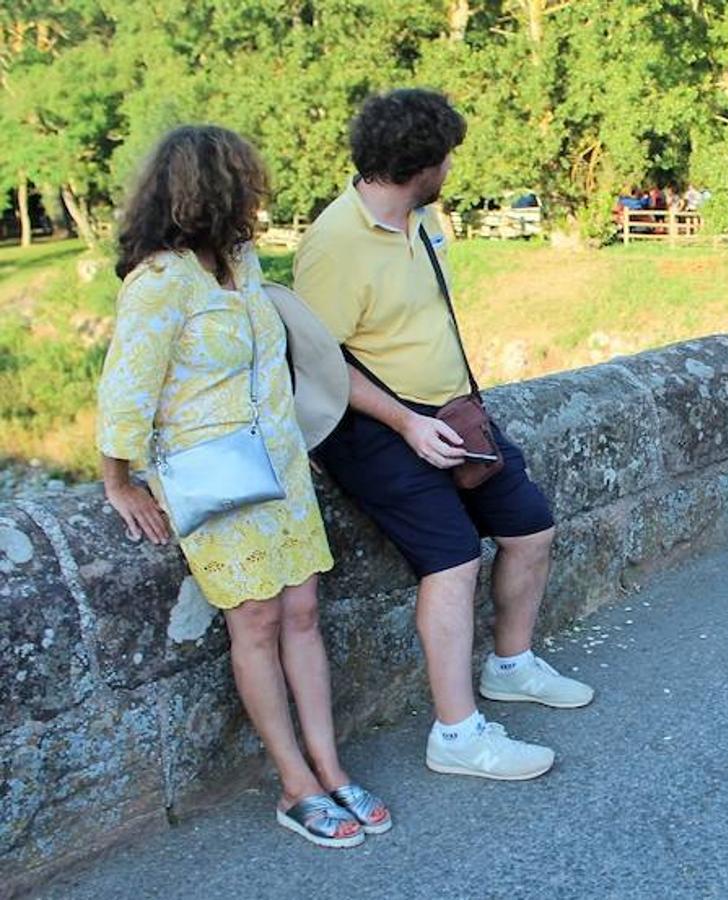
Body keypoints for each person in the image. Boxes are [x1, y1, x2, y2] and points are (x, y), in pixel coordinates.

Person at [97, 126, 390, 847]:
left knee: (302, 613)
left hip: (281, 466)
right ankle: (295, 785)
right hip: (213, 473)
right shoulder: (159, 282)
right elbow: (126, 390)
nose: (258, 196)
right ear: (211, 189)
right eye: (247, 183)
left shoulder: (242, 262)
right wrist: (120, 482)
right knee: (255, 621)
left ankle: (329, 766)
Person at [294, 89, 591, 782]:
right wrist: (405, 422)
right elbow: (317, 361)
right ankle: (456, 735)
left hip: (452, 413)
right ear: (420, 163)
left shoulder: (426, 222)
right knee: (452, 561)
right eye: (447, 156)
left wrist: (446, 411)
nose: (452, 167)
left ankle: (510, 665)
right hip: (372, 429)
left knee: (530, 529)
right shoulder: (335, 244)